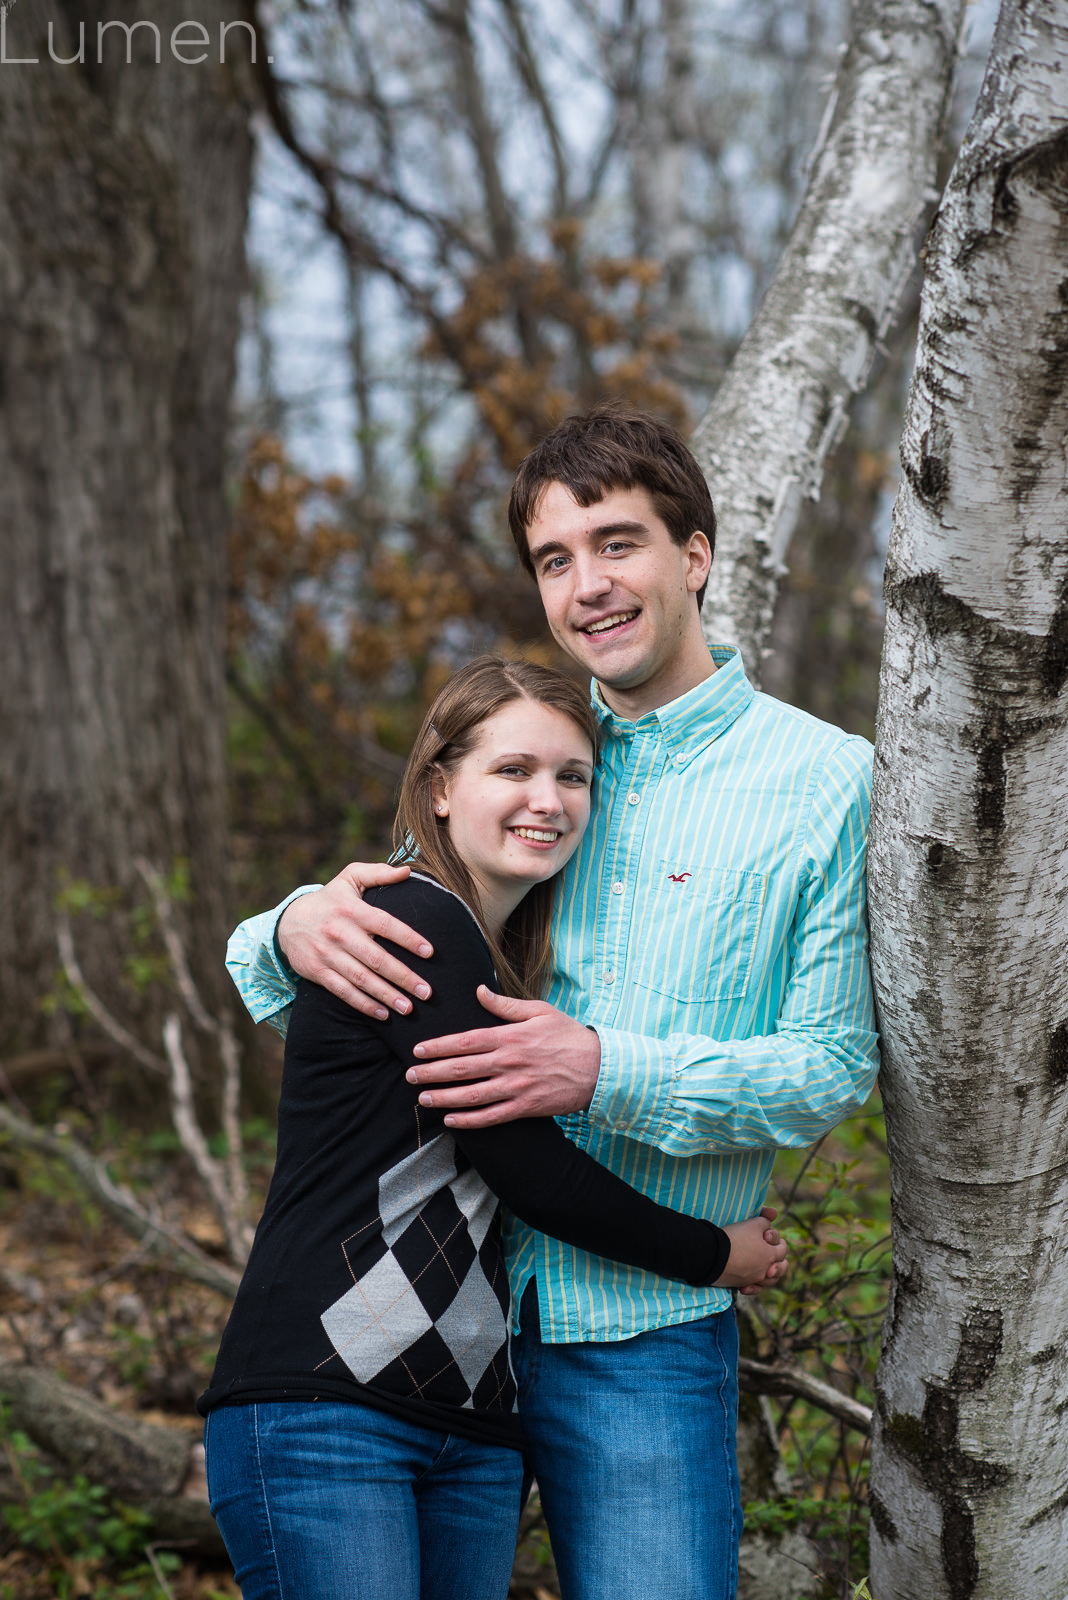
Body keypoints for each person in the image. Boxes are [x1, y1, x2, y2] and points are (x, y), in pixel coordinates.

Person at [228, 406, 880, 1600]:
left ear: (695, 554)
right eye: (555, 559)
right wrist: (286, 925)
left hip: (637, 1327)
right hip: (440, 1313)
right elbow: (382, 1016)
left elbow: (832, 1064)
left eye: (619, 543)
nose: (589, 586)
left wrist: (607, 1069)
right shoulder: (546, 753)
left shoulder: (825, 780)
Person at [203, 654, 787, 1600]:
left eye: (572, 775)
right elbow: (529, 1170)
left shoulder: (501, 960)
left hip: (467, 1422)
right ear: (439, 787)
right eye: (512, 770)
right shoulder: (409, 920)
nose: (547, 800)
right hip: (327, 1404)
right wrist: (715, 1253)